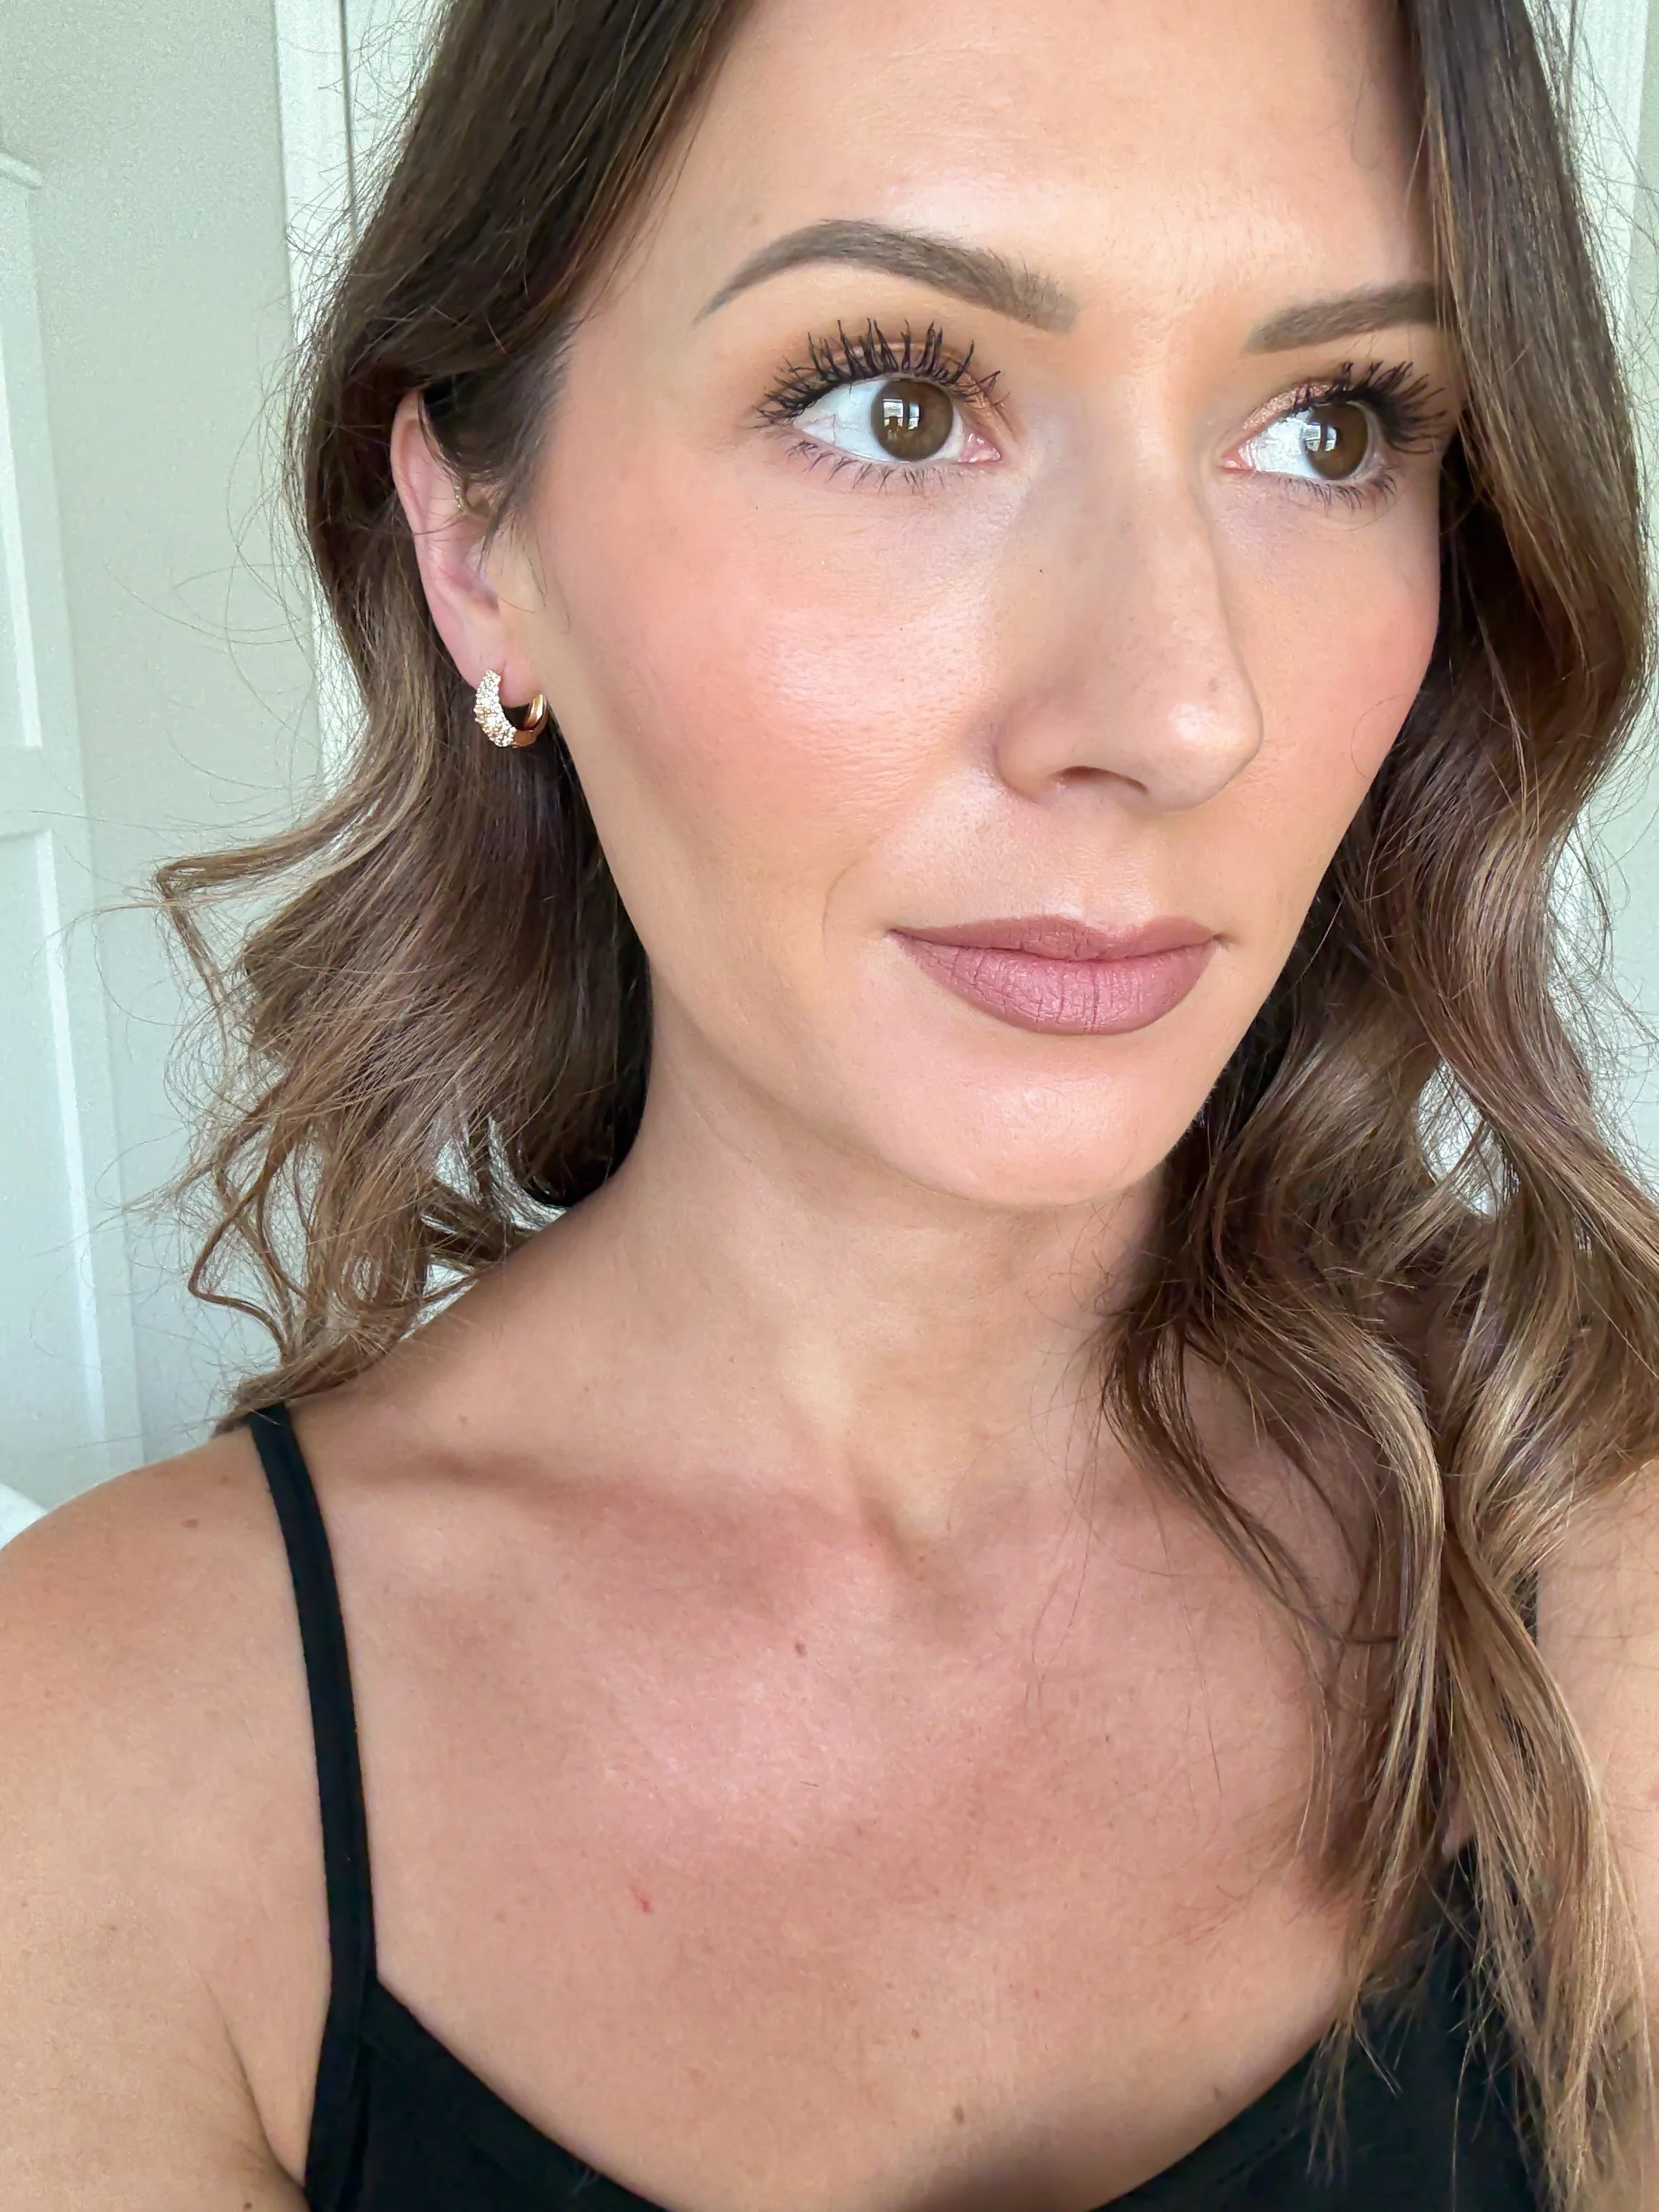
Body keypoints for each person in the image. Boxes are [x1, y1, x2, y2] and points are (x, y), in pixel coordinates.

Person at [4, 0, 1659, 2204]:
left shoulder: (1595, 1539)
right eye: (897, 404)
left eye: (1331, 425)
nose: (1178, 709)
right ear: (478, 545)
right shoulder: (96, 1766)